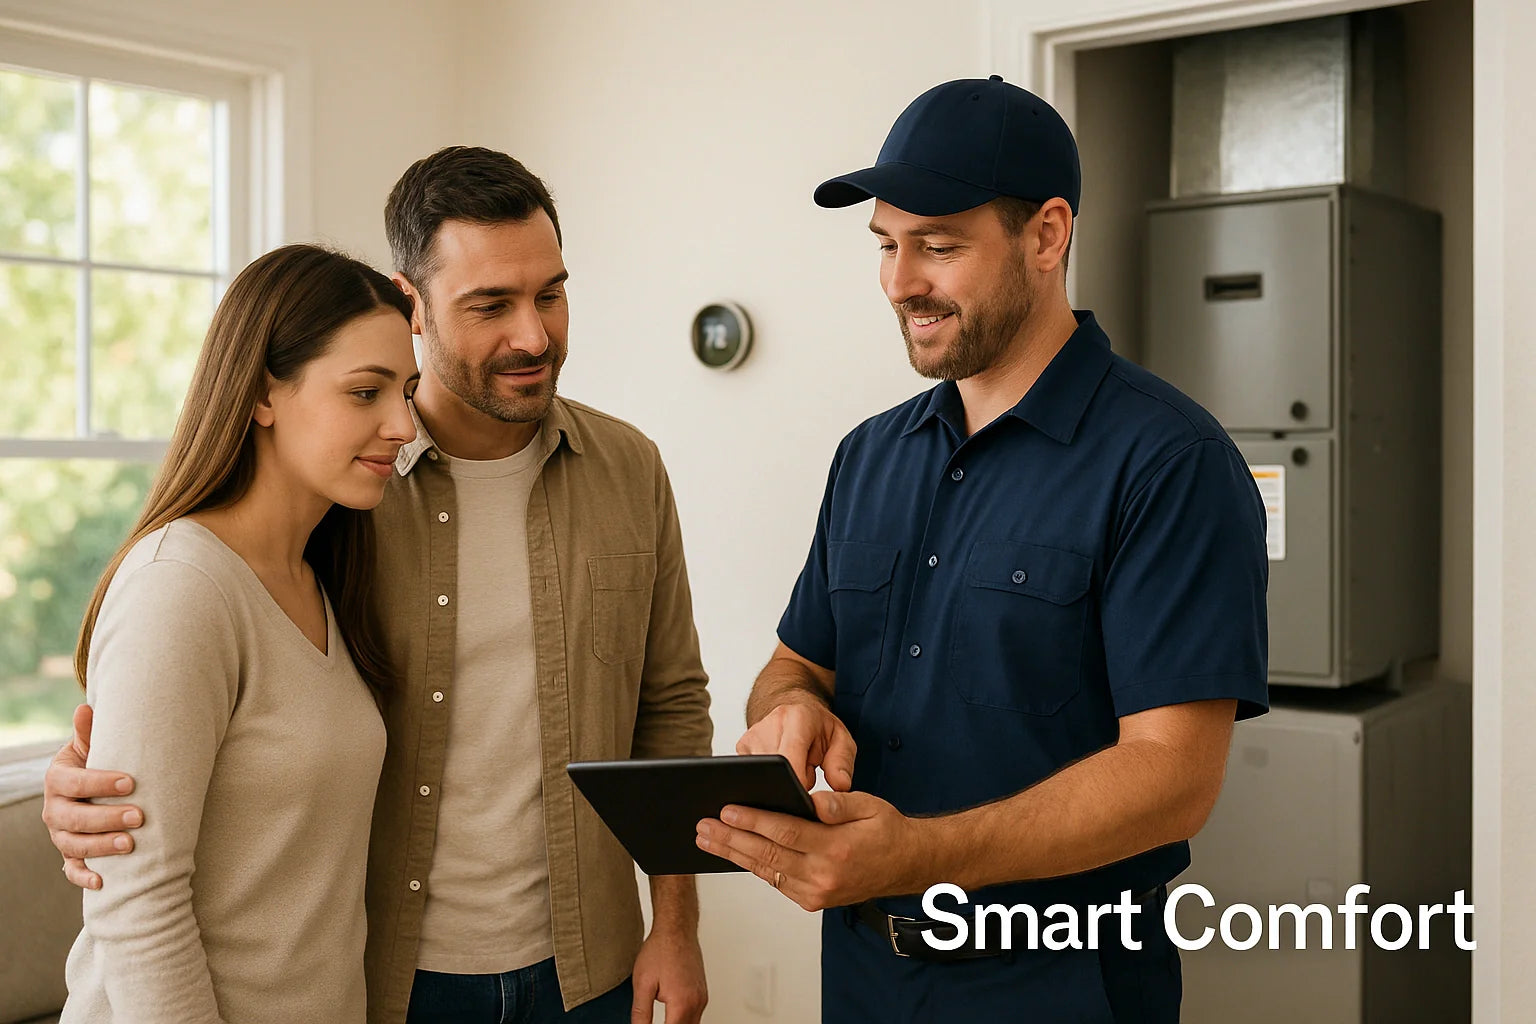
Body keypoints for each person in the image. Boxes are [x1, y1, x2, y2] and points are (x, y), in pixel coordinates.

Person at [43, 148, 713, 1024]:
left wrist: (679, 922)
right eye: (490, 305)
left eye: (549, 293)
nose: (534, 335)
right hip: (387, 974)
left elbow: (671, 708)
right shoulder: (344, 492)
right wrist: (94, 790)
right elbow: (174, 761)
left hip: (588, 966)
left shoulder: (628, 469)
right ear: (412, 304)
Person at [696, 77, 1270, 1022]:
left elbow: (1173, 778)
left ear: (1047, 235)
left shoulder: (1172, 462)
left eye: (939, 245)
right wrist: (791, 709)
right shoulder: (869, 455)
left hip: (1063, 987)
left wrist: (919, 854)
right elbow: (797, 662)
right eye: (886, 244)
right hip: (867, 974)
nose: (900, 281)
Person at [58, 244, 420, 1023]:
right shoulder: (180, 586)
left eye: (408, 391)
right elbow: (137, 903)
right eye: (366, 392)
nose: (403, 424)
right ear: (263, 395)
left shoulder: (323, 577)